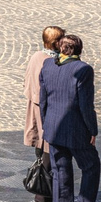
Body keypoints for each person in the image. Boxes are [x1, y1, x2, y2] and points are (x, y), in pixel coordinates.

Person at [41, 34, 101, 202]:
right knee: (91, 166)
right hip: (76, 130)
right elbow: (85, 105)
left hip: (53, 128)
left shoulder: (48, 66)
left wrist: (46, 124)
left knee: (60, 170)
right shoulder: (83, 70)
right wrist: (93, 130)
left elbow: (43, 100)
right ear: (78, 50)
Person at [25, 24, 65, 152]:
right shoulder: (52, 61)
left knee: (41, 141)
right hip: (45, 105)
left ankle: (43, 167)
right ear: (56, 43)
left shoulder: (36, 55)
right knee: (48, 142)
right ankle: (45, 170)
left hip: (37, 101)